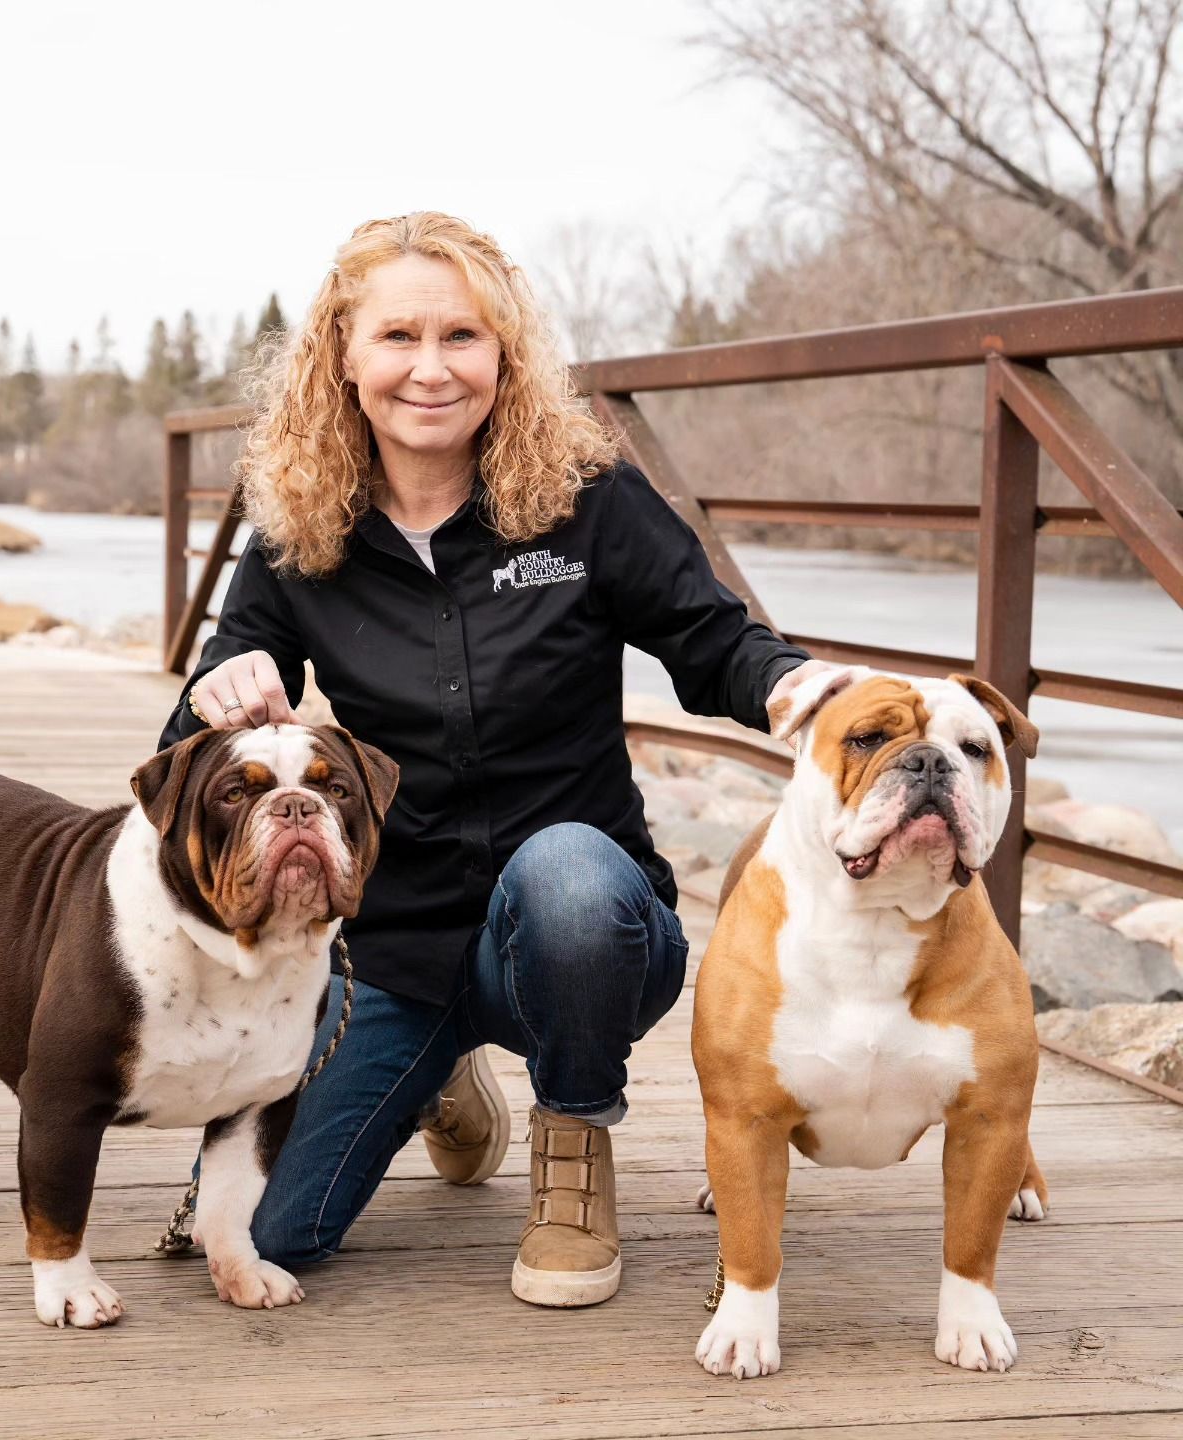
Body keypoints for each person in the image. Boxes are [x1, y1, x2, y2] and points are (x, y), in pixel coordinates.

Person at [159, 212, 819, 1307]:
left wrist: (798, 688)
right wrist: (210, 701)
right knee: (273, 1238)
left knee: (563, 876)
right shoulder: (300, 527)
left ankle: (572, 1137)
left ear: (505, 356)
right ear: (342, 356)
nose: (430, 369)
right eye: (397, 338)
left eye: (462, 337)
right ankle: (437, 1077)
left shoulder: (585, 497)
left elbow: (714, 641)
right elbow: (204, 724)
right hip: (392, 946)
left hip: (584, 928)